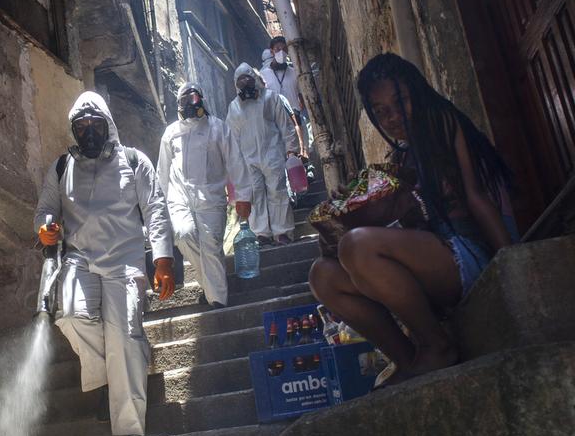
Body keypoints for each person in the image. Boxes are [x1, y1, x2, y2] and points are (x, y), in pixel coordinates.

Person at [309, 53, 515, 388]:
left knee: (358, 246)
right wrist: (347, 211)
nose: (393, 116)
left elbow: (477, 198)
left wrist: (511, 262)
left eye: (400, 101)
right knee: (323, 276)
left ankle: (438, 345)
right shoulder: (403, 156)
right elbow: (398, 225)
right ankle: (407, 359)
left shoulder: (442, 121)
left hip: (468, 253)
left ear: (416, 91)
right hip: (435, 262)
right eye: (381, 111)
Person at [34, 91, 174, 436]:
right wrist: (46, 228)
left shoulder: (133, 160)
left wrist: (163, 259)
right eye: (81, 126)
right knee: (69, 316)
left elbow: (155, 208)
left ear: (107, 124)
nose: (89, 132)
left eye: (95, 124)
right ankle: (107, 377)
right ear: (74, 130)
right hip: (80, 259)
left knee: (124, 335)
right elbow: (45, 209)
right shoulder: (62, 167)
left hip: (124, 260)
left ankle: (129, 429)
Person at [157, 83, 252, 309]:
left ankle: (217, 300)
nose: (191, 104)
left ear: (201, 100)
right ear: (179, 105)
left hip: (211, 197)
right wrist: (159, 206)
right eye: (186, 100)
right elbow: (162, 171)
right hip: (179, 198)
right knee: (182, 235)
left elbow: (236, 162)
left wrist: (244, 196)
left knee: (211, 247)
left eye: (194, 98)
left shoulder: (218, 128)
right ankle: (213, 287)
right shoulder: (170, 133)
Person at [226, 62, 299, 246]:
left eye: (247, 78)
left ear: (255, 79)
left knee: (278, 192)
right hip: (248, 160)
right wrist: (234, 165)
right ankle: (261, 233)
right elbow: (232, 138)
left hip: (272, 153)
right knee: (255, 195)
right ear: (236, 85)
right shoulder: (234, 107)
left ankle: (282, 232)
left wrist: (291, 150)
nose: (245, 83)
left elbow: (285, 125)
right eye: (240, 81)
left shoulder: (270, 98)